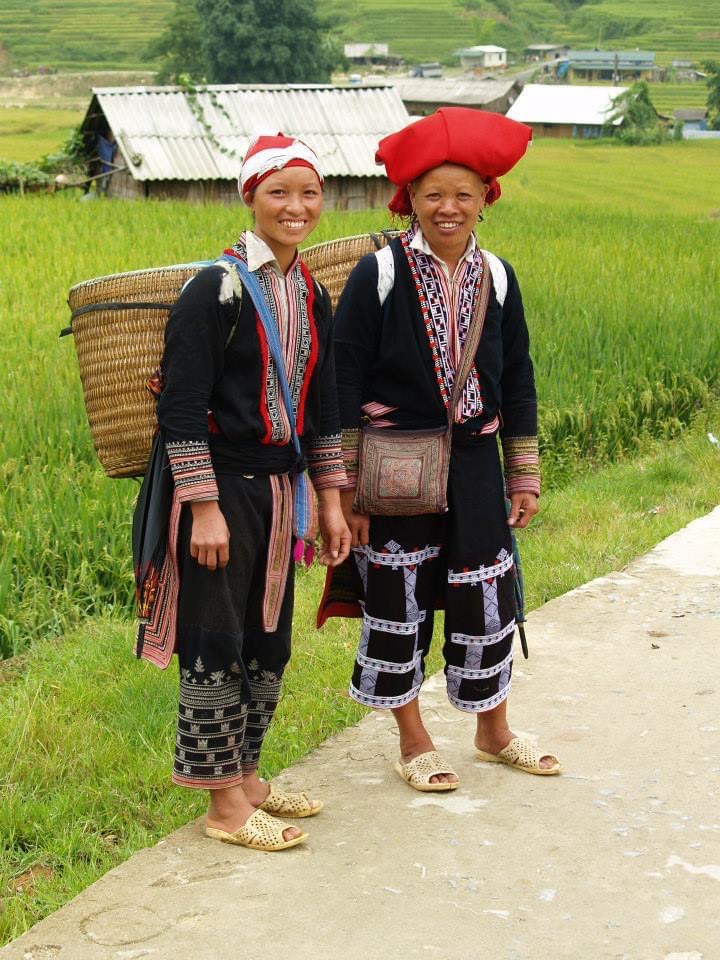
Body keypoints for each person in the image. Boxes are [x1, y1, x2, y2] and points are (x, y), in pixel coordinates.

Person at [318, 108, 561, 791]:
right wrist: (347, 491)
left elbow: (519, 381)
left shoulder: (500, 278)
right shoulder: (381, 274)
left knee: (487, 596)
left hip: (478, 465)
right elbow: (342, 381)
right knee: (398, 597)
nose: (448, 207)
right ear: (411, 202)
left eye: (463, 193)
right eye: (434, 194)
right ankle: (413, 737)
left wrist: (525, 473)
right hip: (394, 467)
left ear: (487, 199)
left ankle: (493, 729)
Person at [133, 134, 351, 850]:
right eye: (279, 192)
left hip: (277, 493)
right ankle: (223, 807)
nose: (296, 207)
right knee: (217, 641)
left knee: (268, 638)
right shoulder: (215, 289)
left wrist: (328, 499)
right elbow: (181, 407)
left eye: (309, 192)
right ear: (249, 198)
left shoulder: (309, 289)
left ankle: (249, 777)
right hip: (220, 491)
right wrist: (203, 508)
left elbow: (319, 406)